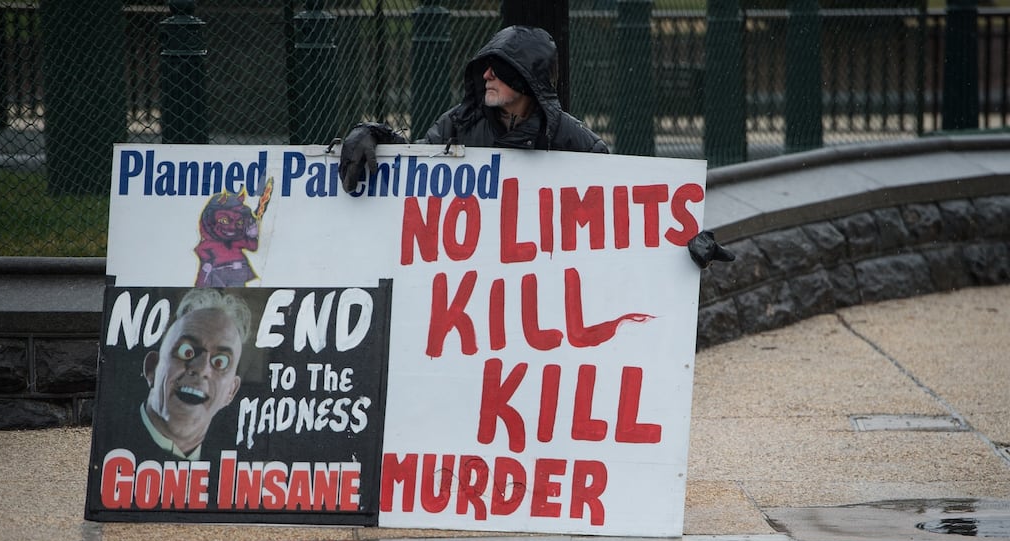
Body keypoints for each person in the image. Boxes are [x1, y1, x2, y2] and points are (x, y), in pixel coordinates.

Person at [339, 25, 733, 268]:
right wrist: (374, 135)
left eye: (501, 69)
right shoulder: (457, 124)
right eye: (485, 67)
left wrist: (681, 243)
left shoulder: (573, 141)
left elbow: (624, 218)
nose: (487, 75)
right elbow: (413, 179)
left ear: (528, 81)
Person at [134, 288, 252, 461]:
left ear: (230, 392)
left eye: (220, 362)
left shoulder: (231, 468)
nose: (202, 369)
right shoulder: (113, 438)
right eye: (186, 351)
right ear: (152, 368)